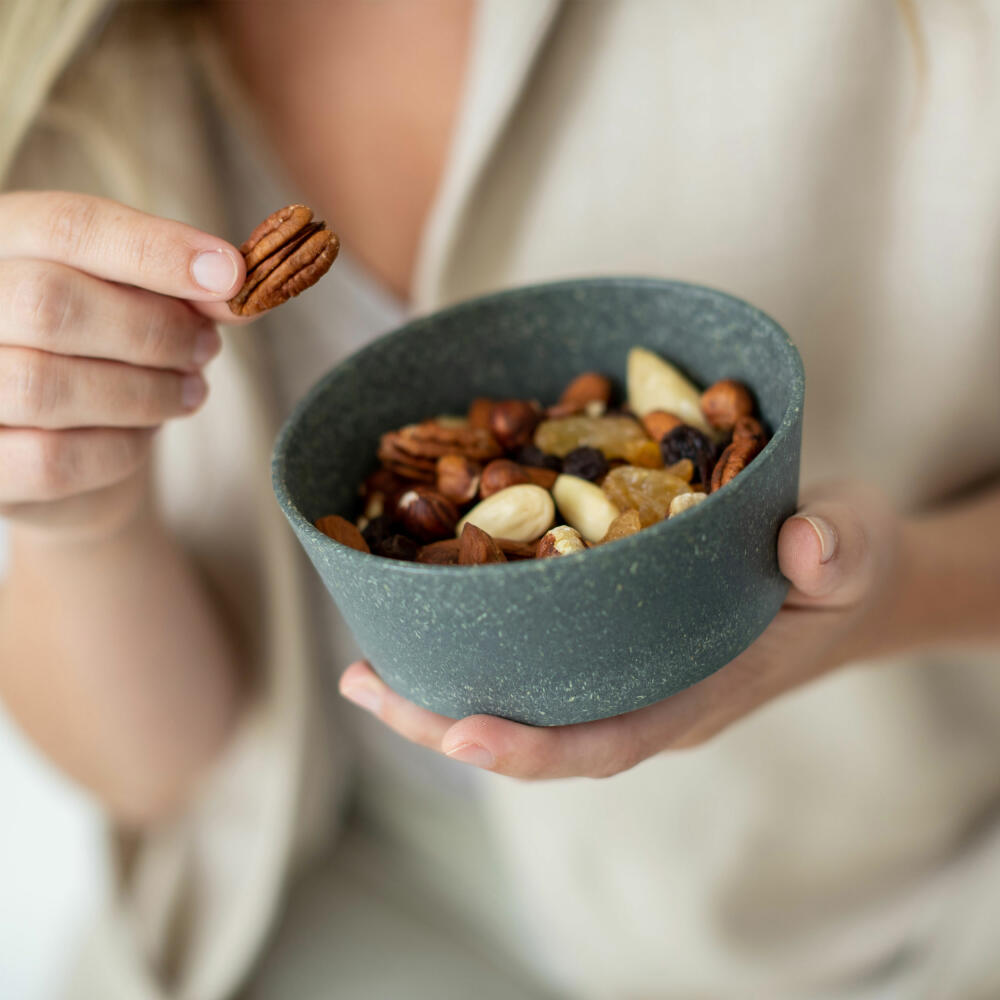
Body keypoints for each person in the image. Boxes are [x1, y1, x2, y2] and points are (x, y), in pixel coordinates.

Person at [1, 1, 999, 997]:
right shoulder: (60, 82)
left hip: (841, 907)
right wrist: (81, 519)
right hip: (356, 870)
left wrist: (897, 588)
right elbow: (163, 779)